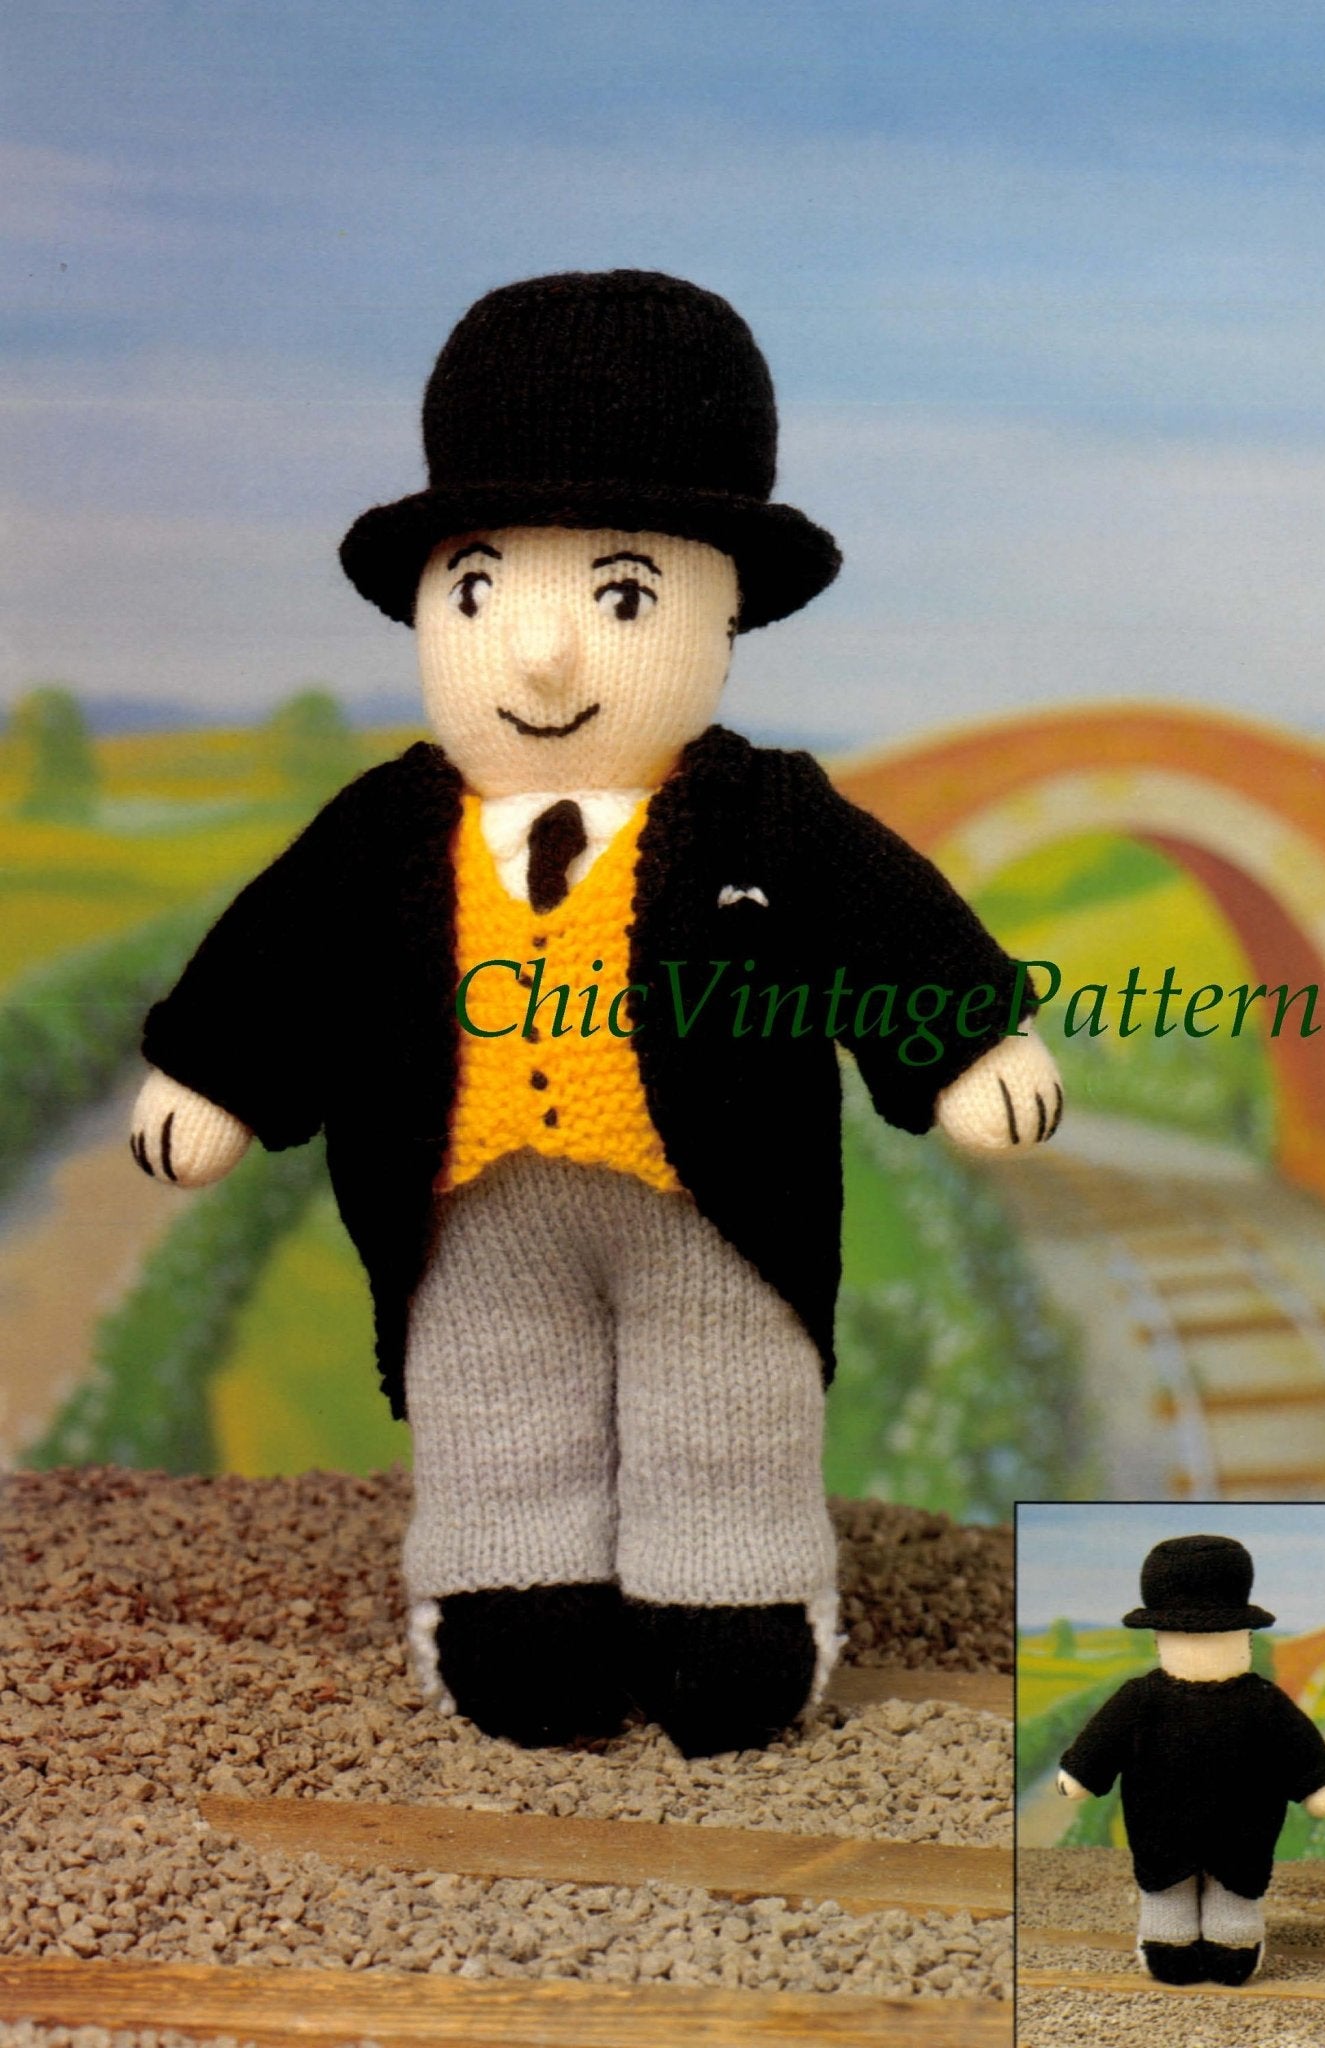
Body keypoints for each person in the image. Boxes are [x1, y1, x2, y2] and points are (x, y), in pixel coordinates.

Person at [130, 269, 1063, 1756]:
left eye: (620, 595)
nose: (541, 653)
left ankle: (730, 1600)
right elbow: (279, 953)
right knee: (491, 1399)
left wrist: (963, 1039)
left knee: (728, 1399)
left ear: (719, 605)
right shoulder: (387, 830)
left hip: (716, 1205)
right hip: (466, 1211)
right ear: (428, 603)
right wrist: (215, 1074)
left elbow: (883, 918)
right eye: (480, 588)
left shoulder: (764, 817)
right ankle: (514, 1594)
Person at [1058, 1533, 1325, 1984]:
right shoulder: (1142, 1699)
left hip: (1242, 1833)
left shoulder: (1262, 1701)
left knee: (1236, 1890)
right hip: (1162, 1832)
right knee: (1166, 1888)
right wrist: (1083, 1771)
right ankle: (1170, 1939)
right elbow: (1104, 1738)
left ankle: (1231, 1939)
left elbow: (1298, 1744)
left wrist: (1315, 1782)